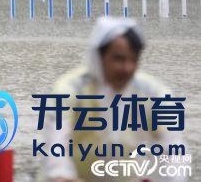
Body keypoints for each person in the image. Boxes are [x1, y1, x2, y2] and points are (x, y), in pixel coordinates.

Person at [40, 17, 186, 182]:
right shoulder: (70, 90)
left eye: (133, 60)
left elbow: (173, 150)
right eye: (118, 59)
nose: (127, 68)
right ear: (99, 57)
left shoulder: (153, 93)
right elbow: (56, 152)